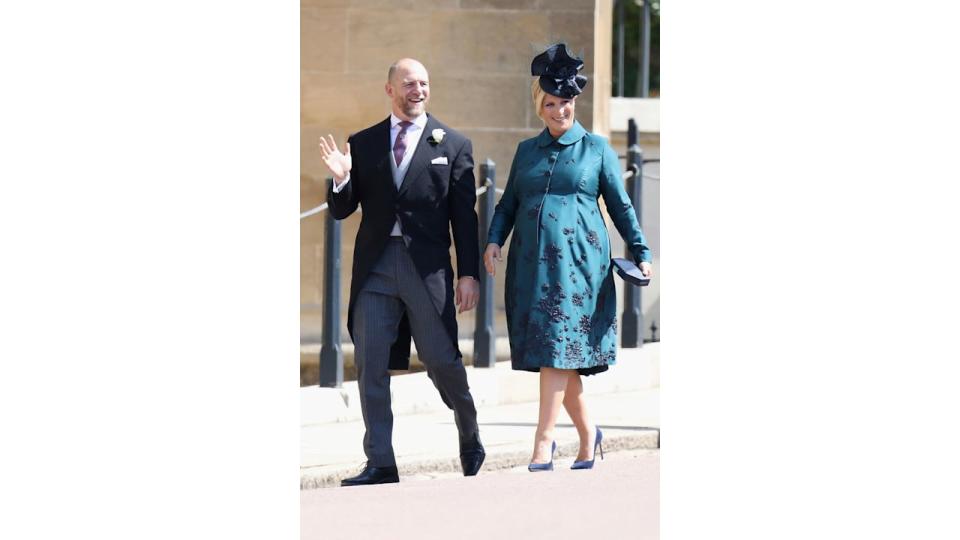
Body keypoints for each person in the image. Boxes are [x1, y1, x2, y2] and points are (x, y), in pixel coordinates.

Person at [482, 44, 653, 471]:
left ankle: (543, 441)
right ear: (540, 107)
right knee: (557, 351)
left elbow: (620, 205)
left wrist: (641, 250)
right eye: (552, 104)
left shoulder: (596, 149)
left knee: (557, 346)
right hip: (530, 265)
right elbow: (507, 205)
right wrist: (494, 240)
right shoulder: (526, 152)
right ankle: (589, 434)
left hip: (578, 266)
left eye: (567, 103)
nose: (560, 111)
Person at [318, 58, 485, 486]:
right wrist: (340, 180)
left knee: (440, 360)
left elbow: (464, 219)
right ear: (390, 89)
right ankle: (381, 462)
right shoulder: (364, 142)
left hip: (425, 270)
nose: (418, 90)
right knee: (370, 362)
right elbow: (342, 210)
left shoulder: (453, 145)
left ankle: (468, 428)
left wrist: (469, 275)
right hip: (375, 270)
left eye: (424, 83)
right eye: (409, 83)